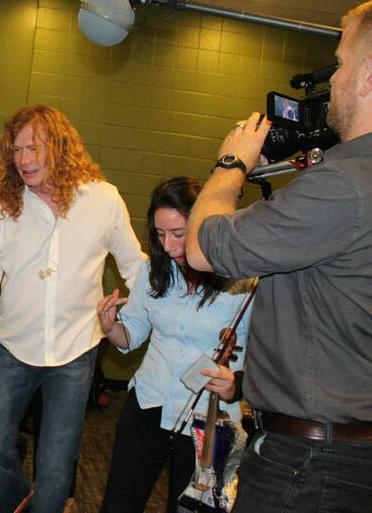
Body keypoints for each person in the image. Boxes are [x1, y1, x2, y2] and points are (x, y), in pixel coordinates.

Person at [185, 3, 372, 511]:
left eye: (341, 62)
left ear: (367, 78)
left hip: (310, 468)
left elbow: (202, 247)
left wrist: (231, 165)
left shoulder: (343, 185)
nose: (332, 79)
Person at [0, 105, 146, 513]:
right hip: (13, 348)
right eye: (16, 150)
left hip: (76, 350)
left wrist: (145, 322)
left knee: (55, 464)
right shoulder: (1, 208)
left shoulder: (103, 199)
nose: (24, 160)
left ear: (61, 147)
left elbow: (136, 268)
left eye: (34, 148)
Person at [96, 176, 251, 513]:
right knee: (120, 502)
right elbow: (132, 333)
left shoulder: (243, 281)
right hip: (149, 400)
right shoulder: (153, 271)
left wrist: (236, 385)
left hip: (208, 415)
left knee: (188, 507)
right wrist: (111, 327)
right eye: (160, 234)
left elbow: (266, 355)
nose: (167, 245)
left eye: (179, 234)